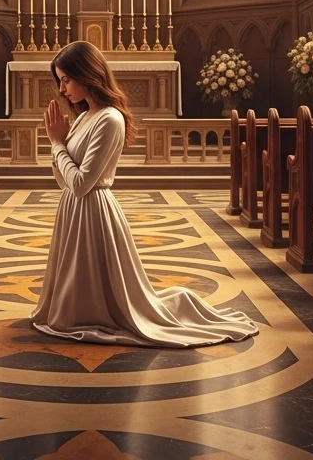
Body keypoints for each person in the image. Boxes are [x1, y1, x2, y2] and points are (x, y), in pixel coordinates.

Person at [29, 40, 259, 346]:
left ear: (87, 74)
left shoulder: (110, 119)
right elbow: (65, 182)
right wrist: (58, 144)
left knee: (100, 294)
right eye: (60, 81)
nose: (62, 89)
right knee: (77, 290)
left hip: (94, 210)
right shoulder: (83, 117)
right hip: (73, 209)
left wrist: (57, 144)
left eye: (67, 79)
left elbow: (83, 183)